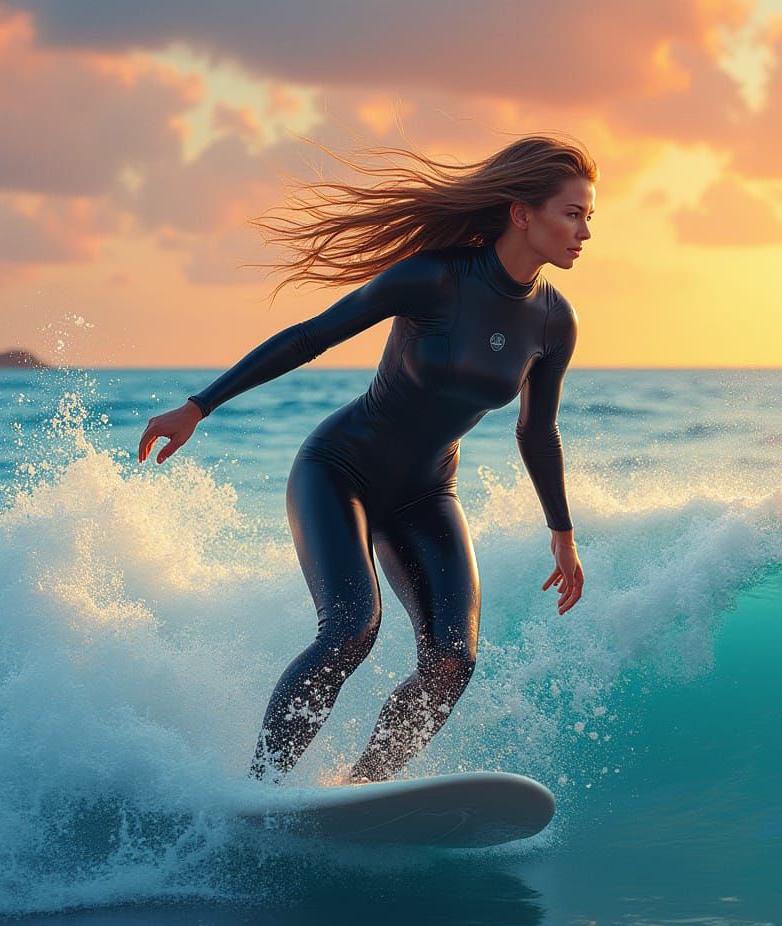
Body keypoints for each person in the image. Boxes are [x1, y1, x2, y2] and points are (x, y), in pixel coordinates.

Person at [138, 134, 593, 784]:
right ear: (522, 213)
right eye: (572, 214)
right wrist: (199, 406)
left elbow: (537, 430)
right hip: (339, 472)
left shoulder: (553, 321)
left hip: (427, 495)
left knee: (452, 661)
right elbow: (311, 336)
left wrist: (563, 535)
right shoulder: (434, 278)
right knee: (351, 630)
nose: (584, 232)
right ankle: (259, 790)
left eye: (588, 217)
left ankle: (364, 789)